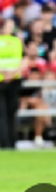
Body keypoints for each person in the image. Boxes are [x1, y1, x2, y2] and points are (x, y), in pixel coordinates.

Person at [0, 20, 23, 149]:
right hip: (3, 81)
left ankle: (12, 142)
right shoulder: (12, 42)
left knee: (11, 113)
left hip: (13, 81)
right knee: (2, 114)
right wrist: (6, 73)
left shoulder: (16, 41)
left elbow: (20, 60)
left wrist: (10, 74)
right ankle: (4, 143)